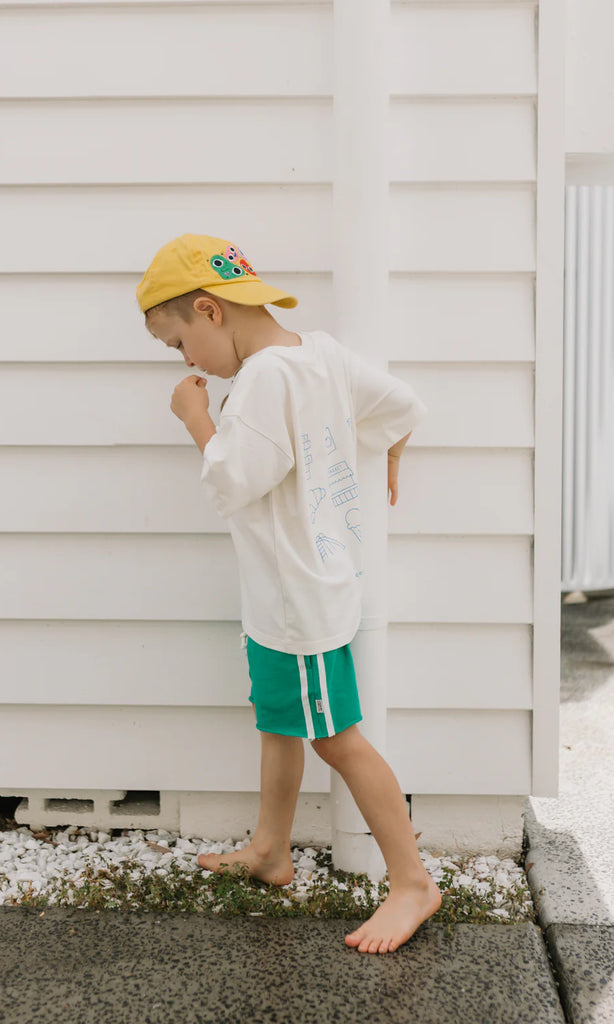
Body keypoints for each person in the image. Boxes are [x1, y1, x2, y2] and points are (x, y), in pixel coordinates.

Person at [136, 233, 442, 954]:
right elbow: (401, 404)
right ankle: (272, 850)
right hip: (289, 592)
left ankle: (412, 882)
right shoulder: (321, 353)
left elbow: (235, 482)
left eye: (179, 342)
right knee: (280, 719)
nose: (186, 362)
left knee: (336, 739)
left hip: (296, 599)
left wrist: (195, 418)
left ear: (210, 311)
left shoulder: (265, 380)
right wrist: (393, 441)